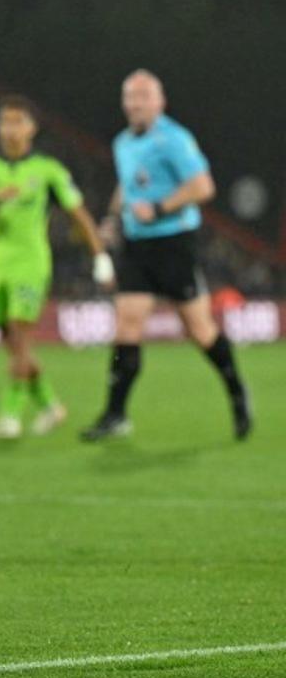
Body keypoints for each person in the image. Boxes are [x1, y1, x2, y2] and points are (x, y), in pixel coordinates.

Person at [80, 70, 251, 442]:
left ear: (159, 102)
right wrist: (112, 218)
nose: (136, 104)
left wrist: (159, 208)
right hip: (137, 247)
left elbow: (203, 186)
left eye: (143, 97)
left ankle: (238, 394)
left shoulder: (174, 139)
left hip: (174, 242)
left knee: (199, 329)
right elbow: (126, 185)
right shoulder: (123, 142)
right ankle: (115, 414)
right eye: (130, 97)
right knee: (127, 325)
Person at [0, 95, 113, 439]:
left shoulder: (48, 170)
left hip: (31, 262)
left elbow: (78, 213)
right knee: (12, 343)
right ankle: (51, 405)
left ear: (31, 128)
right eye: (5, 122)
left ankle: (10, 415)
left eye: (18, 122)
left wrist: (100, 256)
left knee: (20, 337)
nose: (11, 129)